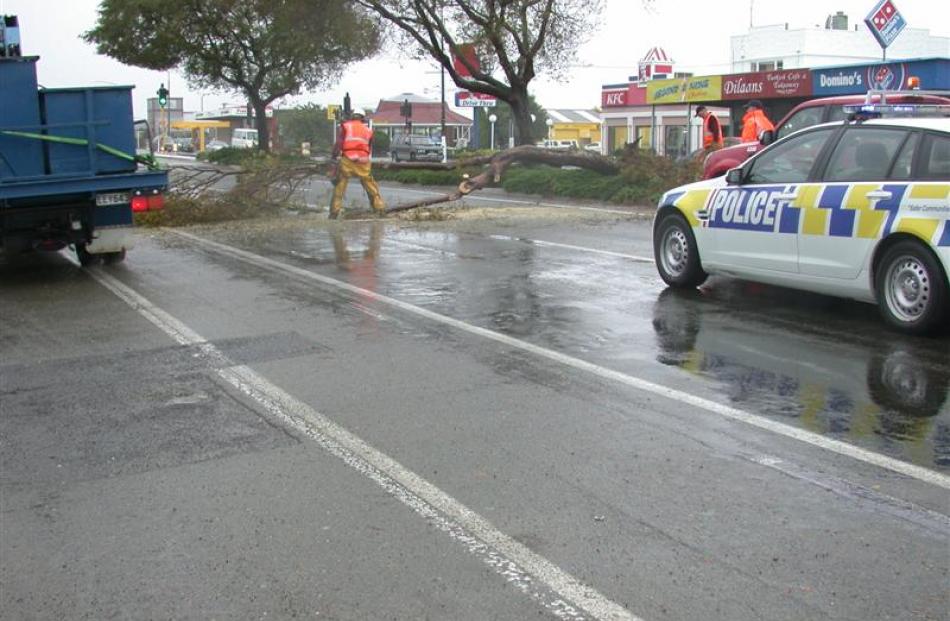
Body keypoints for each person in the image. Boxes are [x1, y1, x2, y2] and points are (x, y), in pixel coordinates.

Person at [329, 108, 385, 219]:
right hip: (363, 161)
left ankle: (334, 213)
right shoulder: (368, 130)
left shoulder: (346, 126)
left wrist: (333, 156)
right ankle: (380, 209)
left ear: (352, 116)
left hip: (348, 159)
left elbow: (339, 143)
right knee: (370, 185)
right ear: (363, 118)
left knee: (340, 185)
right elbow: (369, 146)